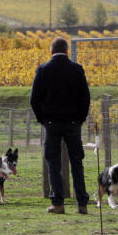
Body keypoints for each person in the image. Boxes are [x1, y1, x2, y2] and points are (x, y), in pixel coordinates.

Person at [30, 37, 91, 215]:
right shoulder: (77, 69)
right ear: (67, 51)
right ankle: (82, 203)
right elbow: (85, 98)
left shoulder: (42, 70)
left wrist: (43, 119)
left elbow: (34, 99)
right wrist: (80, 119)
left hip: (52, 122)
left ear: (51, 52)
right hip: (73, 122)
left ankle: (58, 202)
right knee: (76, 161)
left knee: (53, 162)